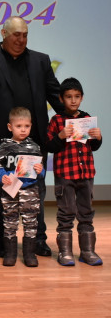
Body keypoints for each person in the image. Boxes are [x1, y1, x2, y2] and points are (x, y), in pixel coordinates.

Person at [0, 16, 63, 258]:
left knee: (34, 192)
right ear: (4, 33)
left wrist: (77, 117)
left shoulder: (41, 61)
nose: (21, 40)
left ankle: (37, 240)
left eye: (25, 35)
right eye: (16, 35)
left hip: (33, 142)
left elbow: (56, 97)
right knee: (0, 191)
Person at [47, 78, 103, 266]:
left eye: (77, 96)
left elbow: (93, 146)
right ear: (61, 99)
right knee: (66, 212)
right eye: (69, 97)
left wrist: (98, 138)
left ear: (82, 98)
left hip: (86, 174)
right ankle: (65, 252)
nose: (73, 100)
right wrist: (60, 136)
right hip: (65, 175)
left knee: (86, 212)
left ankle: (87, 251)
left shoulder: (87, 118)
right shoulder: (56, 120)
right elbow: (50, 146)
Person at [0, 107, 45, 267]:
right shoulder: (3, 147)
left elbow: (40, 170)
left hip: (30, 190)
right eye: (19, 126)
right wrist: (2, 176)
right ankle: (10, 253)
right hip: (10, 190)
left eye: (26, 126)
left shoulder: (35, 147)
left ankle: (29, 254)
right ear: (10, 127)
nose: (23, 130)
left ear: (31, 126)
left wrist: (40, 171)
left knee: (31, 222)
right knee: (10, 220)